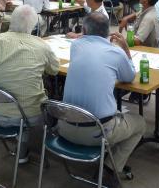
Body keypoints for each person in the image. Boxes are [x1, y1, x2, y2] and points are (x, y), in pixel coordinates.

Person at [59, 13, 146, 186]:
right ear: (108, 31)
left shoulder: (76, 46)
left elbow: (84, 39)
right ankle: (110, 168)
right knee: (141, 123)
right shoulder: (116, 52)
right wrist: (126, 51)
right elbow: (129, 77)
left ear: (83, 30)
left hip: (64, 127)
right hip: (97, 133)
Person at [0, 5, 60, 162]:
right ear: (34, 26)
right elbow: (54, 70)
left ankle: (22, 145)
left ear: (11, 20)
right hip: (33, 116)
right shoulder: (42, 45)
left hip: (1, 114)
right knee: (52, 98)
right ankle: (37, 145)